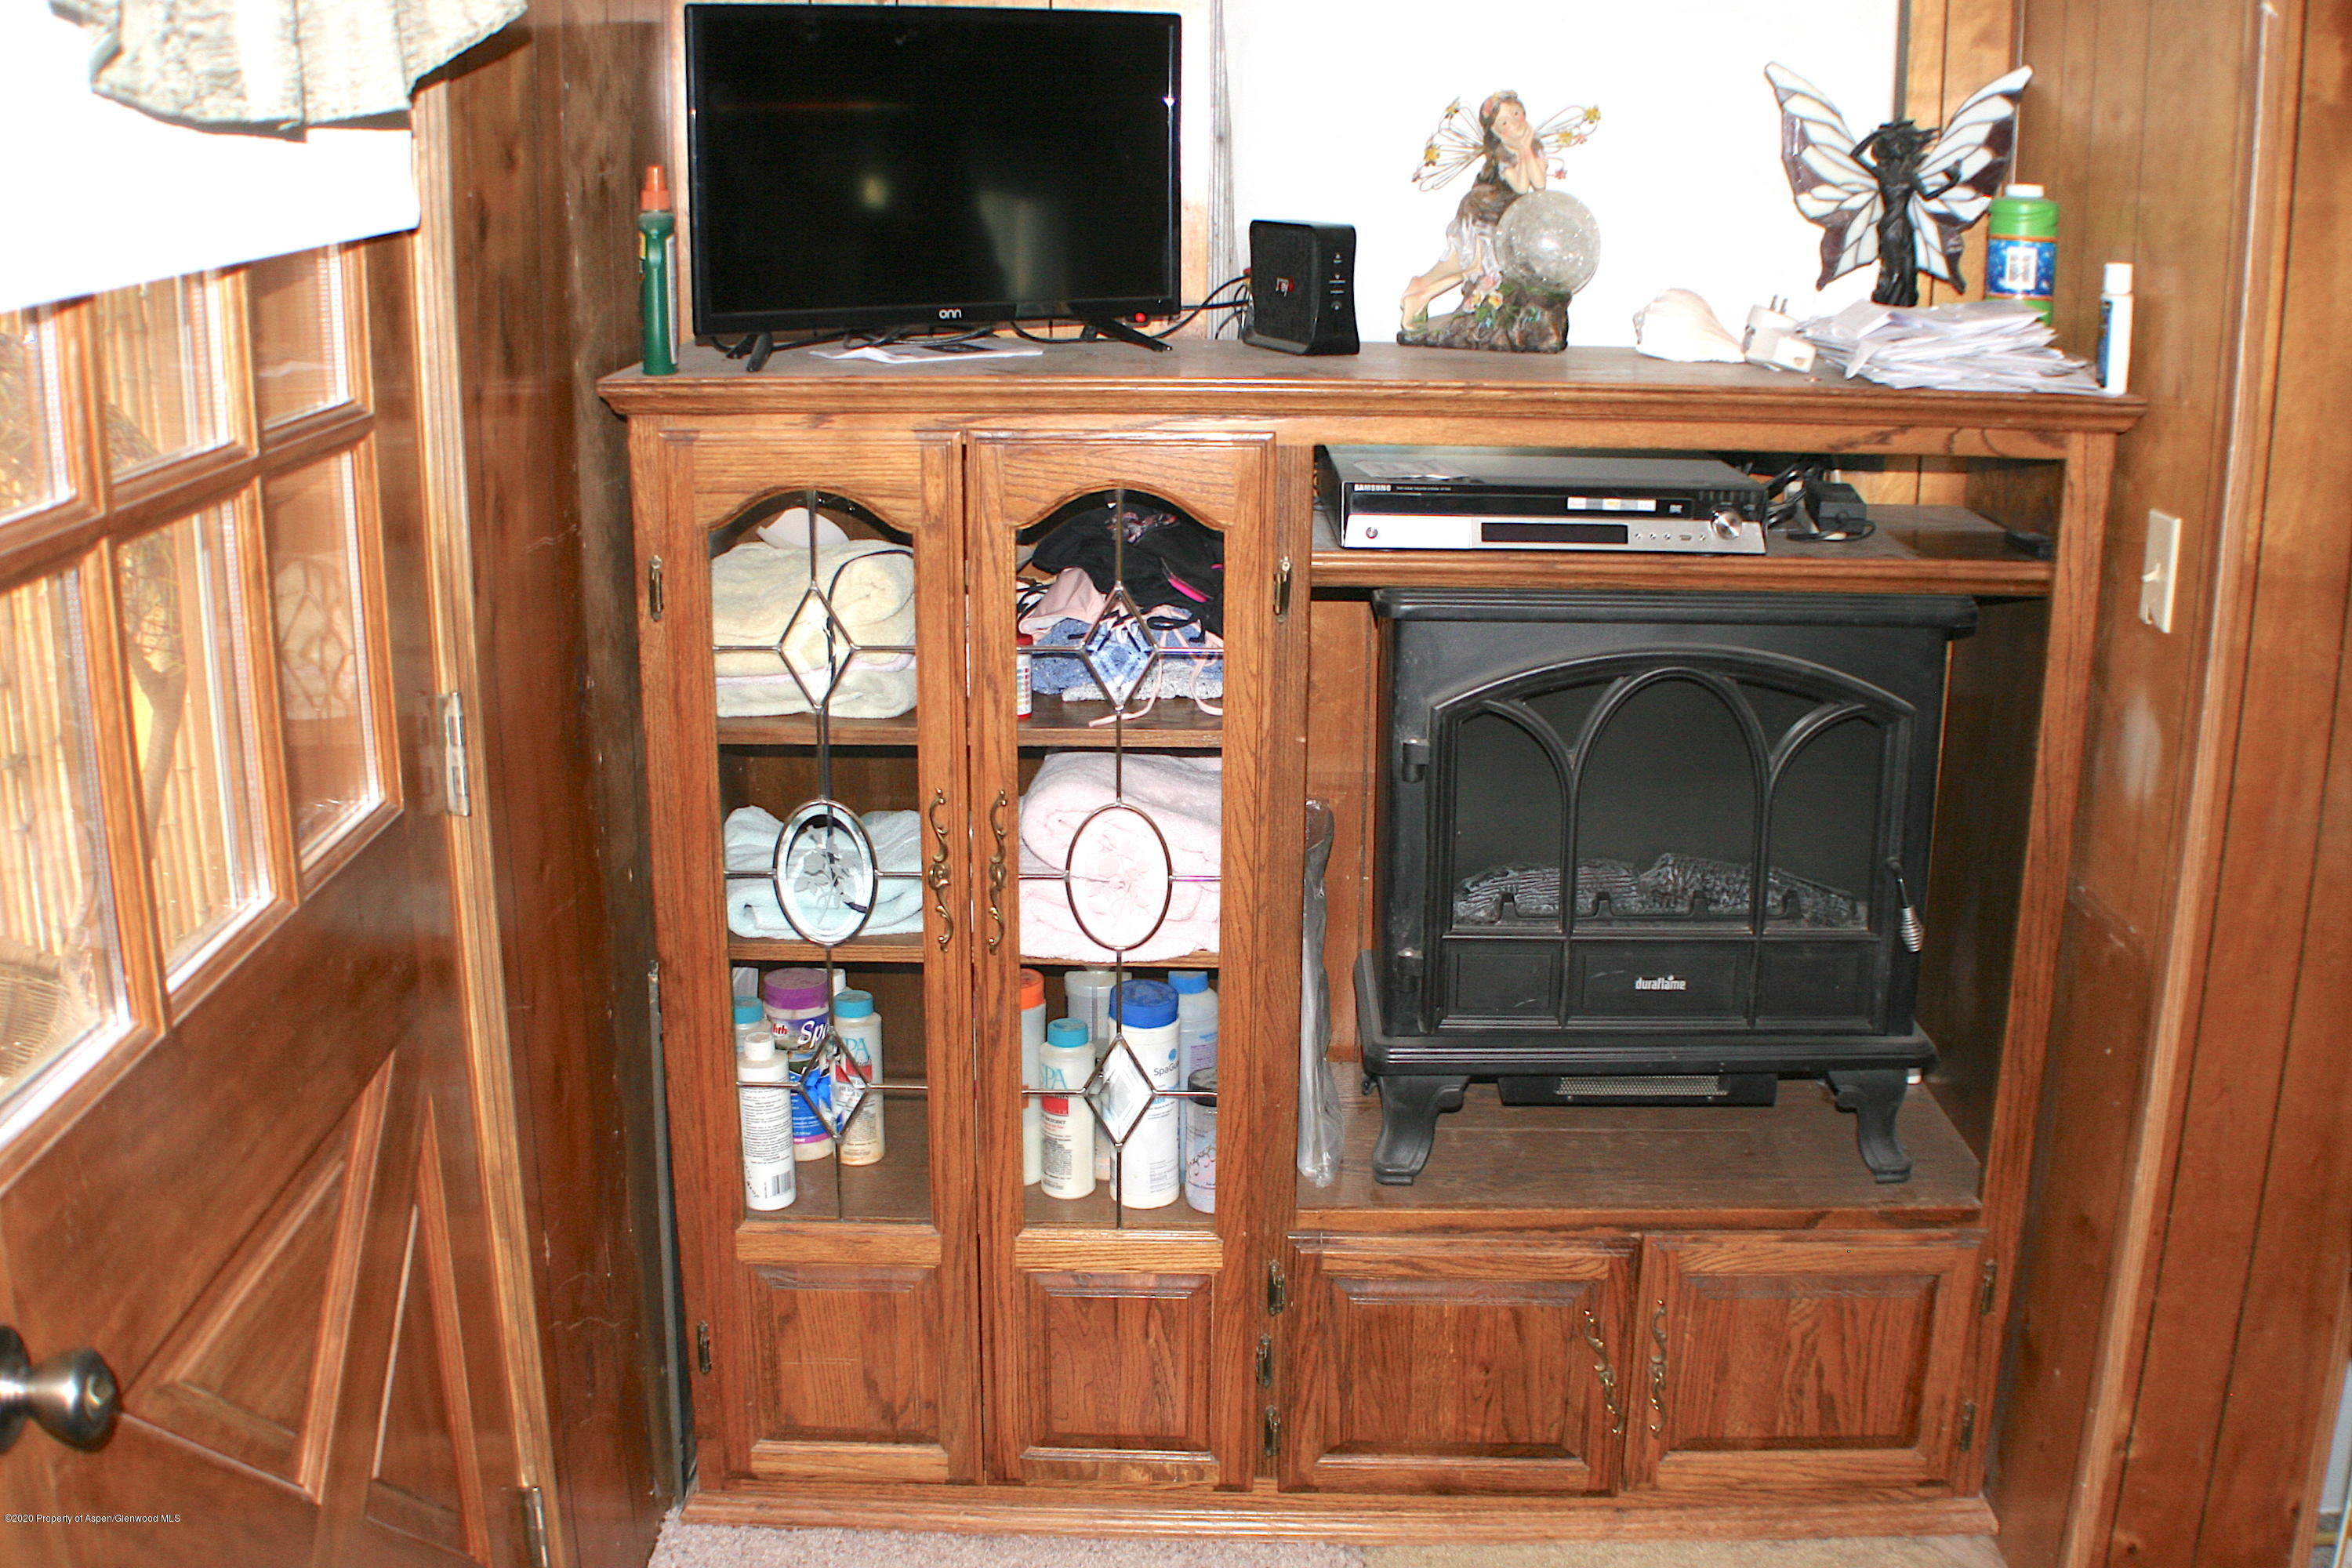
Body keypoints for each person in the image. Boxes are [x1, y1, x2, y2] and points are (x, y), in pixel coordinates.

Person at [1400, 92, 1550, 328]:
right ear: (1496, 132)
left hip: (1506, 215)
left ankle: (1420, 293)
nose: (1514, 122)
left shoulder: (1534, 146)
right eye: (1504, 122)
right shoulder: (1502, 153)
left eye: (1516, 114)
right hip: (1484, 210)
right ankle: (1420, 285)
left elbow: (1539, 183)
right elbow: (1521, 186)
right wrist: (1523, 147)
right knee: (1468, 261)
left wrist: (1527, 146)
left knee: (1475, 268)